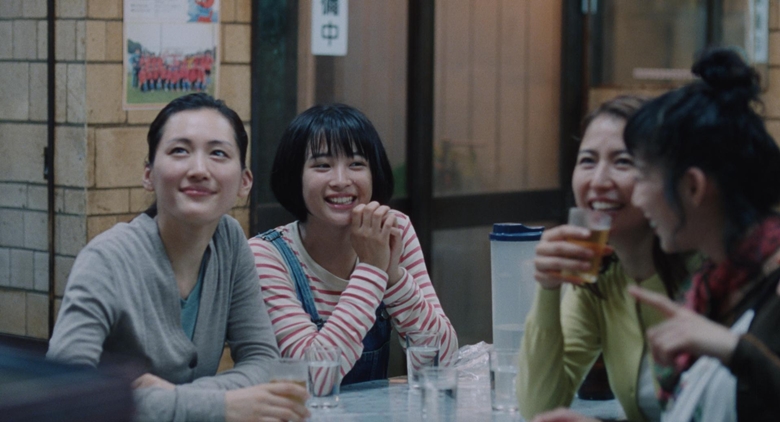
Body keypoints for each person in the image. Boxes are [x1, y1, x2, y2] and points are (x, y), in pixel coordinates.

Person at [47, 93, 310, 422]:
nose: (199, 170)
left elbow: (262, 361)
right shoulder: (107, 259)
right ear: (148, 174)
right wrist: (221, 406)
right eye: (179, 151)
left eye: (218, 153)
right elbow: (64, 393)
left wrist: (173, 398)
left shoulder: (229, 242)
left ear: (244, 182)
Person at [248, 103, 458, 385]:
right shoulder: (265, 256)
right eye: (322, 165)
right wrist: (372, 270)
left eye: (356, 164)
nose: (341, 181)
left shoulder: (393, 231)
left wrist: (393, 276)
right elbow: (313, 378)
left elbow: (442, 361)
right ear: (295, 177)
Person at [625, 48, 780, 422]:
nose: (636, 197)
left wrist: (732, 349)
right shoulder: (713, 286)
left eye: (642, 176)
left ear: (693, 187)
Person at [519, 96, 694, 422]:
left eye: (623, 162)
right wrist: (548, 287)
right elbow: (539, 409)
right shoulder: (597, 279)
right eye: (587, 161)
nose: (598, 181)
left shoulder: (706, 273)